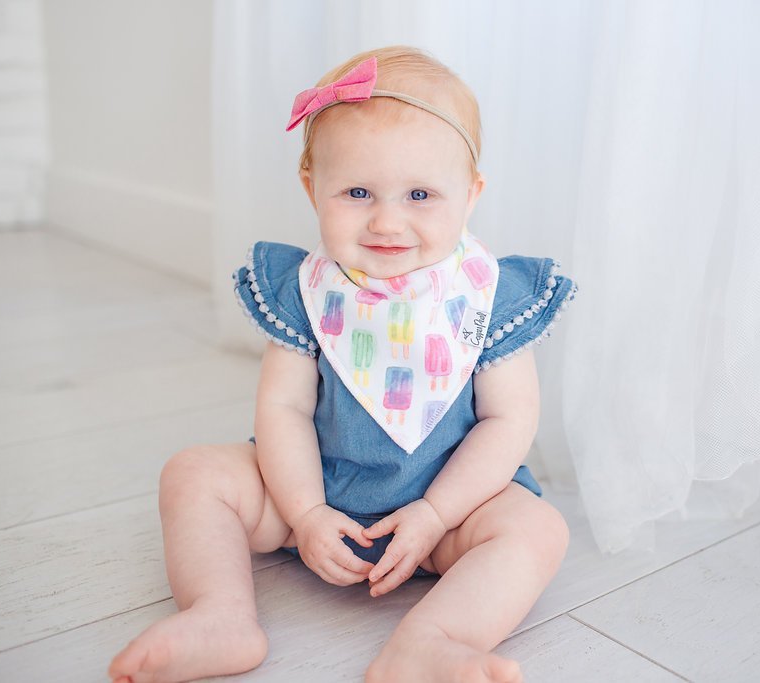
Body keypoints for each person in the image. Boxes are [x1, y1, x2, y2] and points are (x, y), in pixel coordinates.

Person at [109, 45, 577, 683]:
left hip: (446, 512)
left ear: (470, 196)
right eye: (357, 191)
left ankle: (433, 642)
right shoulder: (306, 292)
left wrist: (437, 513)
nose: (388, 220)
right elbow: (285, 408)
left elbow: (508, 421)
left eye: (420, 194)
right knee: (193, 473)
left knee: (538, 530)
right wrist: (302, 512)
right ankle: (219, 615)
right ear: (312, 188)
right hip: (313, 491)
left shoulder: (488, 298)